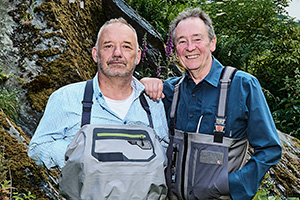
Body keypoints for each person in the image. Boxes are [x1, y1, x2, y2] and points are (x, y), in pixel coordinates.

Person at [141, 7, 282, 200]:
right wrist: (141, 85)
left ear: (212, 43)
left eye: (197, 39)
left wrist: (232, 186)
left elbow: (270, 149)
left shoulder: (243, 86)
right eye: (182, 41)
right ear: (175, 49)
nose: (190, 47)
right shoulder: (169, 91)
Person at [28, 18, 168, 170]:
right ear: (95, 54)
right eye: (108, 46)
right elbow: (37, 148)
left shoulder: (152, 104)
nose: (117, 53)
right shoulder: (66, 98)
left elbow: (164, 154)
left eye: (126, 47)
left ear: (138, 56)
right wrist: (78, 155)